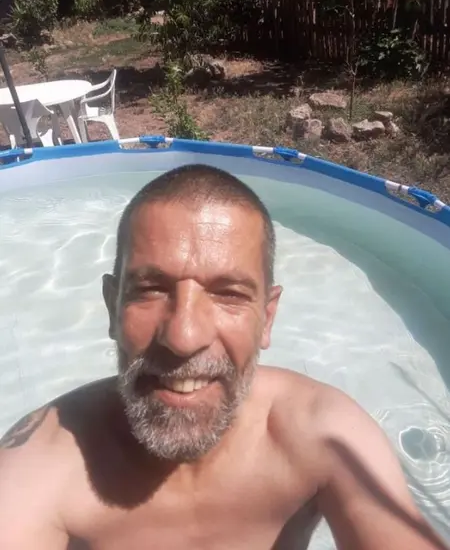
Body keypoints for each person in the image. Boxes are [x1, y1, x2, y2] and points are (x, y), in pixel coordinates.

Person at [0, 163, 447, 550]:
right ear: (112, 308)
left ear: (267, 318)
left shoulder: (320, 434)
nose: (184, 337)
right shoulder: (41, 466)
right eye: (150, 289)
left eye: (229, 294)